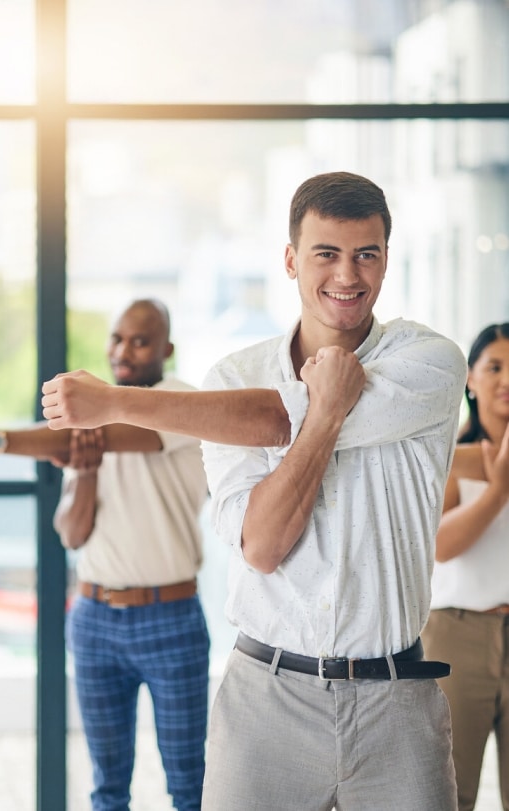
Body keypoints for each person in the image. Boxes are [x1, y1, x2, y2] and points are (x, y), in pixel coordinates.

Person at [41, 171, 467, 811]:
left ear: (386, 258)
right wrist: (326, 413)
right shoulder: (233, 378)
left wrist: (112, 403)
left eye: (366, 254)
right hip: (266, 700)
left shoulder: (429, 362)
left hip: (396, 702)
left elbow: (275, 416)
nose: (348, 275)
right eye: (327, 253)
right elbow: (263, 547)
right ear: (292, 260)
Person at [0, 298, 211, 811]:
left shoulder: (177, 401)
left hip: (170, 619)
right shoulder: (91, 425)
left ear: (166, 349)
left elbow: (114, 436)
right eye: (117, 337)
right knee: (107, 789)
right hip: (94, 620)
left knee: (189, 785)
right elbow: (71, 532)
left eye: (140, 340)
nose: (123, 350)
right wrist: (83, 470)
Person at [422, 323, 509, 811]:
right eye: (494, 367)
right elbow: (440, 547)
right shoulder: (450, 458)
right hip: (459, 635)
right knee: (452, 792)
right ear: (470, 380)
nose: (506, 379)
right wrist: (498, 490)